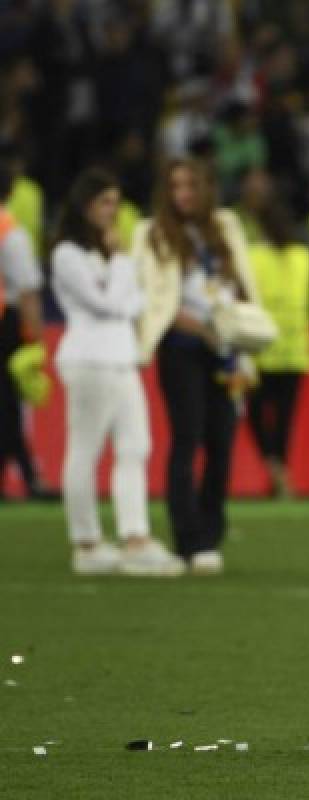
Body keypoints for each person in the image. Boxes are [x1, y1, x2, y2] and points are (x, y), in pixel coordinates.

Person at [51, 168, 184, 577]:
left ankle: (134, 537)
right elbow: (108, 304)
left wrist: (122, 283)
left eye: (116, 202)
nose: (113, 211)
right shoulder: (67, 253)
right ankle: (86, 542)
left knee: (136, 447)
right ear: (85, 205)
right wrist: (124, 271)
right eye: (105, 202)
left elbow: (131, 303)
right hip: (90, 359)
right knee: (85, 450)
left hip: (121, 358)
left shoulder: (105, 254)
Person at [133, 157, 260, 575]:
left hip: (225, 346)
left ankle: (211, 534)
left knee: (222, 439)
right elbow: (152, 300)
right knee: (187, 437)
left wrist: (235, 322)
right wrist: (200, 328)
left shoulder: (225, 226)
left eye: (190, 186)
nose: (183, 195)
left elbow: (243, 281)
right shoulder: (151, 232)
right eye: (175, 187)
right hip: (180, 345)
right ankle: (187, 540)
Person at [246, 201, 309, 497]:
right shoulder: (304, 257)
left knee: (255, 414)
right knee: (284, 417)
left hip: (261, 348)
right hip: (294, 347)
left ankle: (274, 467)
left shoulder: (254, 256)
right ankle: (280, 470)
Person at [0, 159, 53, 500]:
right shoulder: (10, 230)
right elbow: (28, 288)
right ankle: (29, 476)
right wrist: (36, 338)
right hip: (6, 322)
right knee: (7, 403)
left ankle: (23, 473)